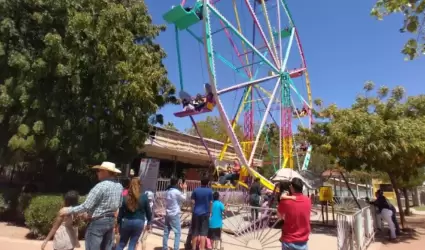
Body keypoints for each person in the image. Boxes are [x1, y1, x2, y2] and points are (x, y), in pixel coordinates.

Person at [59, 161, 123, 250]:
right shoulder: (119, 186)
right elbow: (119, 204)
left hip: (98, 222)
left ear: (106, 172)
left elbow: (86, 206)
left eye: (99, 170)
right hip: (110, 220)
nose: (97, 173)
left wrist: (68, 210)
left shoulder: (100, 186)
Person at [116, 178, 152, 250]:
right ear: (139, 185)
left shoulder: (125, 195)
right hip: (139, 222)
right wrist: (149, 222)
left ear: (130, 185)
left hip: (126, 221)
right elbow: (149, 212)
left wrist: (118, 223)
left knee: (121, 243)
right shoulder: (144, 197)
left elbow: (121, 212)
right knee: (132, 244)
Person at [277, 178, 311, 250]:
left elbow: (279, 216)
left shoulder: (285, 201)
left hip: (288, 240)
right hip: (303, 241)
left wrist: (284, 196)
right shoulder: (308, 200)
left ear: (291, 187)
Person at [163, 178, 188, 250]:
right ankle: (176, 248)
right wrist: (184, 189)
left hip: (168, 213)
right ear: (177, 183)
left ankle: (164, 247)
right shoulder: (176, 192)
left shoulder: (167, 191)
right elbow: (184, 198)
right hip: (174, 214)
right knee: (178, 233)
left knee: (166, 232)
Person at [191, 177, 213, 250]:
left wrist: (193, 210)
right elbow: (211, 202)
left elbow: (192, 202)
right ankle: (202, 248)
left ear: (201, 182)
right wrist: (210, 212)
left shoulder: (196, 190)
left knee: (195, 232)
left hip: (196, 213)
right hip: (205, 214)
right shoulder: (210, 191)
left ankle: (193, 248)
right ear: (207, 183)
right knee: (203, 233)